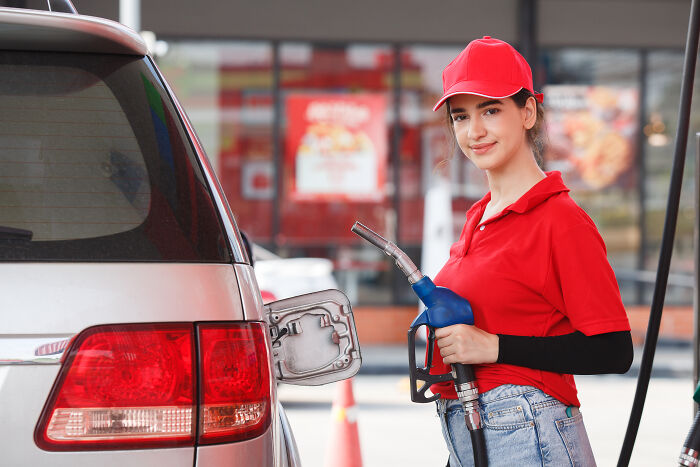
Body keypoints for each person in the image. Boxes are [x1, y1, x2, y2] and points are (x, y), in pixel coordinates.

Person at [428, 36, 633, 466]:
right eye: (460, 116)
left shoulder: (559, 219)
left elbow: (613, 349)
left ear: (528, 112)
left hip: (530, 435)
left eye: (490, 110)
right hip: (471, 433)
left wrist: (495, 347)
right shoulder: (479, 216)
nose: (474, 131)